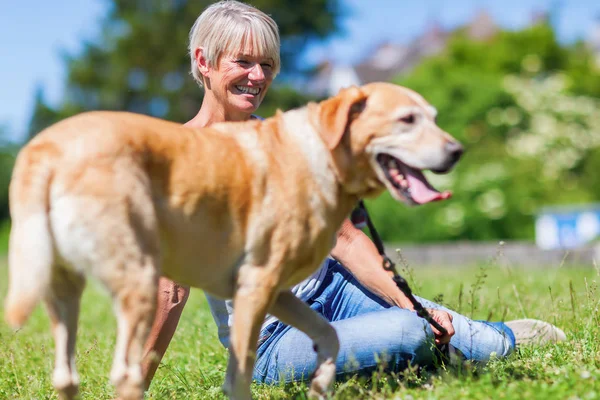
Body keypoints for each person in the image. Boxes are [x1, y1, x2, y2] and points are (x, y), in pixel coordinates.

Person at [140, 0, 566, 390]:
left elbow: (343, 239)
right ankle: (422, 350)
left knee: (446, 330)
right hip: (271, 339)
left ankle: (498, 336)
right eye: (244, 62)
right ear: (205, 62)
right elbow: (171, 291)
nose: (258, 76)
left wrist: (410, 304)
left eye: (267, 64)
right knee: (406, 333)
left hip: (339, 290)